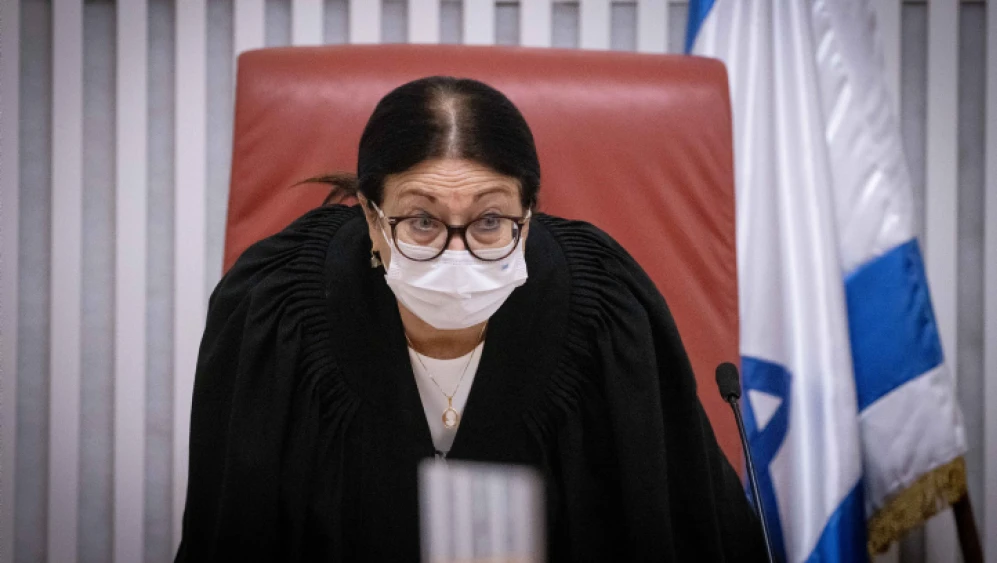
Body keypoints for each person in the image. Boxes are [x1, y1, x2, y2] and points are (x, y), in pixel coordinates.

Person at [175, 76, 767, 562]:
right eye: (421, 221)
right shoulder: (273, 312)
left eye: (490, 220)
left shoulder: (607, 312)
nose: (455, 252)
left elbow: (676, 527)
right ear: (371, 219)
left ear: (529, 215)